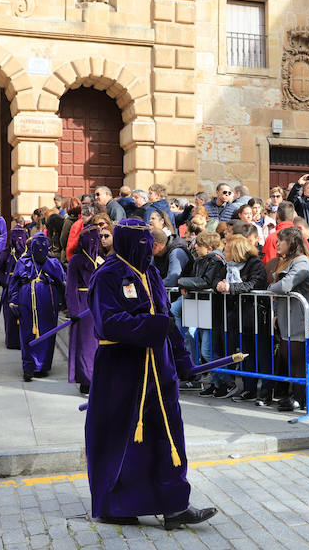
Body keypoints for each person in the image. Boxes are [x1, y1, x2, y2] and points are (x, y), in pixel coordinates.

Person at [85, 218, 217, 529]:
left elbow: (166, 317)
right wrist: (154, 326)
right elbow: (109, 323)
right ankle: (115, 505)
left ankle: (174, 505)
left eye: (150, 242)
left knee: (167, 434)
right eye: (141, 243)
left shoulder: (151, 272)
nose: (147, 248)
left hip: (160, 368)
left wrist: (182, 358)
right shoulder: (107, 276)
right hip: (122, 370)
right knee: (122, 438)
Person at [262, 227, 309, 412]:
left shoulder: (302, 262)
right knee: (289, 357)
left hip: (298, 317)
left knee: (298, 359)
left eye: (281, 241)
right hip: (286, 317)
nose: (277, 244)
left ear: (291, 243)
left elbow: (285, 285)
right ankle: (295, 395)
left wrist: (270, 287)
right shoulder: (288, 261)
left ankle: (301, 398)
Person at [216, 233, 268, 402]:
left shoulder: (255, 264)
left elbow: (254, 284)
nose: (224, 252)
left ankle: (261, 391)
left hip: (254, 315)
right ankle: (247, 388)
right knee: (244, 353)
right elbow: (215, 279)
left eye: (227, 249)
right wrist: (218, 284)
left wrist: (231, 287)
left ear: (237, 251)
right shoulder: (227, 265)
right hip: (236, 315)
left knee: (257, 353)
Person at [176, 231, 228, 397]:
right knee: (206, 349)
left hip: (212, 309)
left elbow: (206, 282)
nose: (195, 247)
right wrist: (183, 285)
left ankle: (225, 382)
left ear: (209, 248)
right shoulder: (200, 260)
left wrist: (183, 282)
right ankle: (215, 382)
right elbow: (192, 278)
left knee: (208, 350)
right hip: (202, 307)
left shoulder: (216, 261)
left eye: (199, 245)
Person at [9, 234, 65, 380]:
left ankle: (44, 365)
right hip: (26, 302)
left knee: (47, 332)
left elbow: (61, 283)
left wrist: (61, 302)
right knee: (27, 333)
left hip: (47, 303)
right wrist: (13, 301)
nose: (40, 248)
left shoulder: (53, 263)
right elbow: (14, 282)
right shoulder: (23, 261)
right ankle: (28, 366)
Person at [64, 225, 102, 394]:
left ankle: (97, 378)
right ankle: (86, 378)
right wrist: (73, 310)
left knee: (97, 345)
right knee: (85, 345)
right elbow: (70, 287)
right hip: (83, 306)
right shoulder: (76, 260)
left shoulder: (101, 260)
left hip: (99, 307)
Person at [0, 225, 29, 349]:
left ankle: (23, 340)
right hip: (10, 285)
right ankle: (11, 340)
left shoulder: (28, 253)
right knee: (10, 313)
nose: (18, 240)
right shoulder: (6, 253)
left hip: (24, 287)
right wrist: (3, 281)